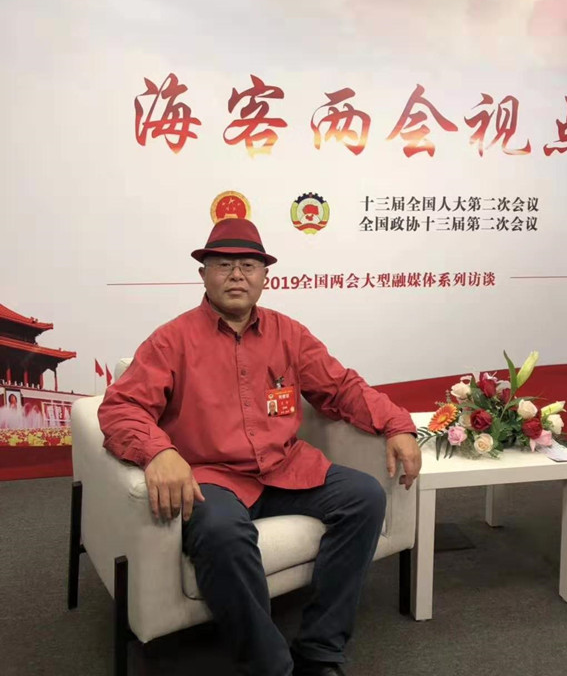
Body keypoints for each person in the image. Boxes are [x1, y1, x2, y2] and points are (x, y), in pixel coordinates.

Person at [98, 218, 421, 676]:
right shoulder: (171, 340)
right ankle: (269, 666)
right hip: (211, 476)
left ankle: (320, 649)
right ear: (203, 275)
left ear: (265, 276)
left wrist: (396, 424)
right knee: (222, 534)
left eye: (248, 265)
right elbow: (120, 407)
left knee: (365, 497)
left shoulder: (289, 334)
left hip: (285, 467)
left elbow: (341, 387)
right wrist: (159, 452)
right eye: (223, 265)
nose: (236, 276)